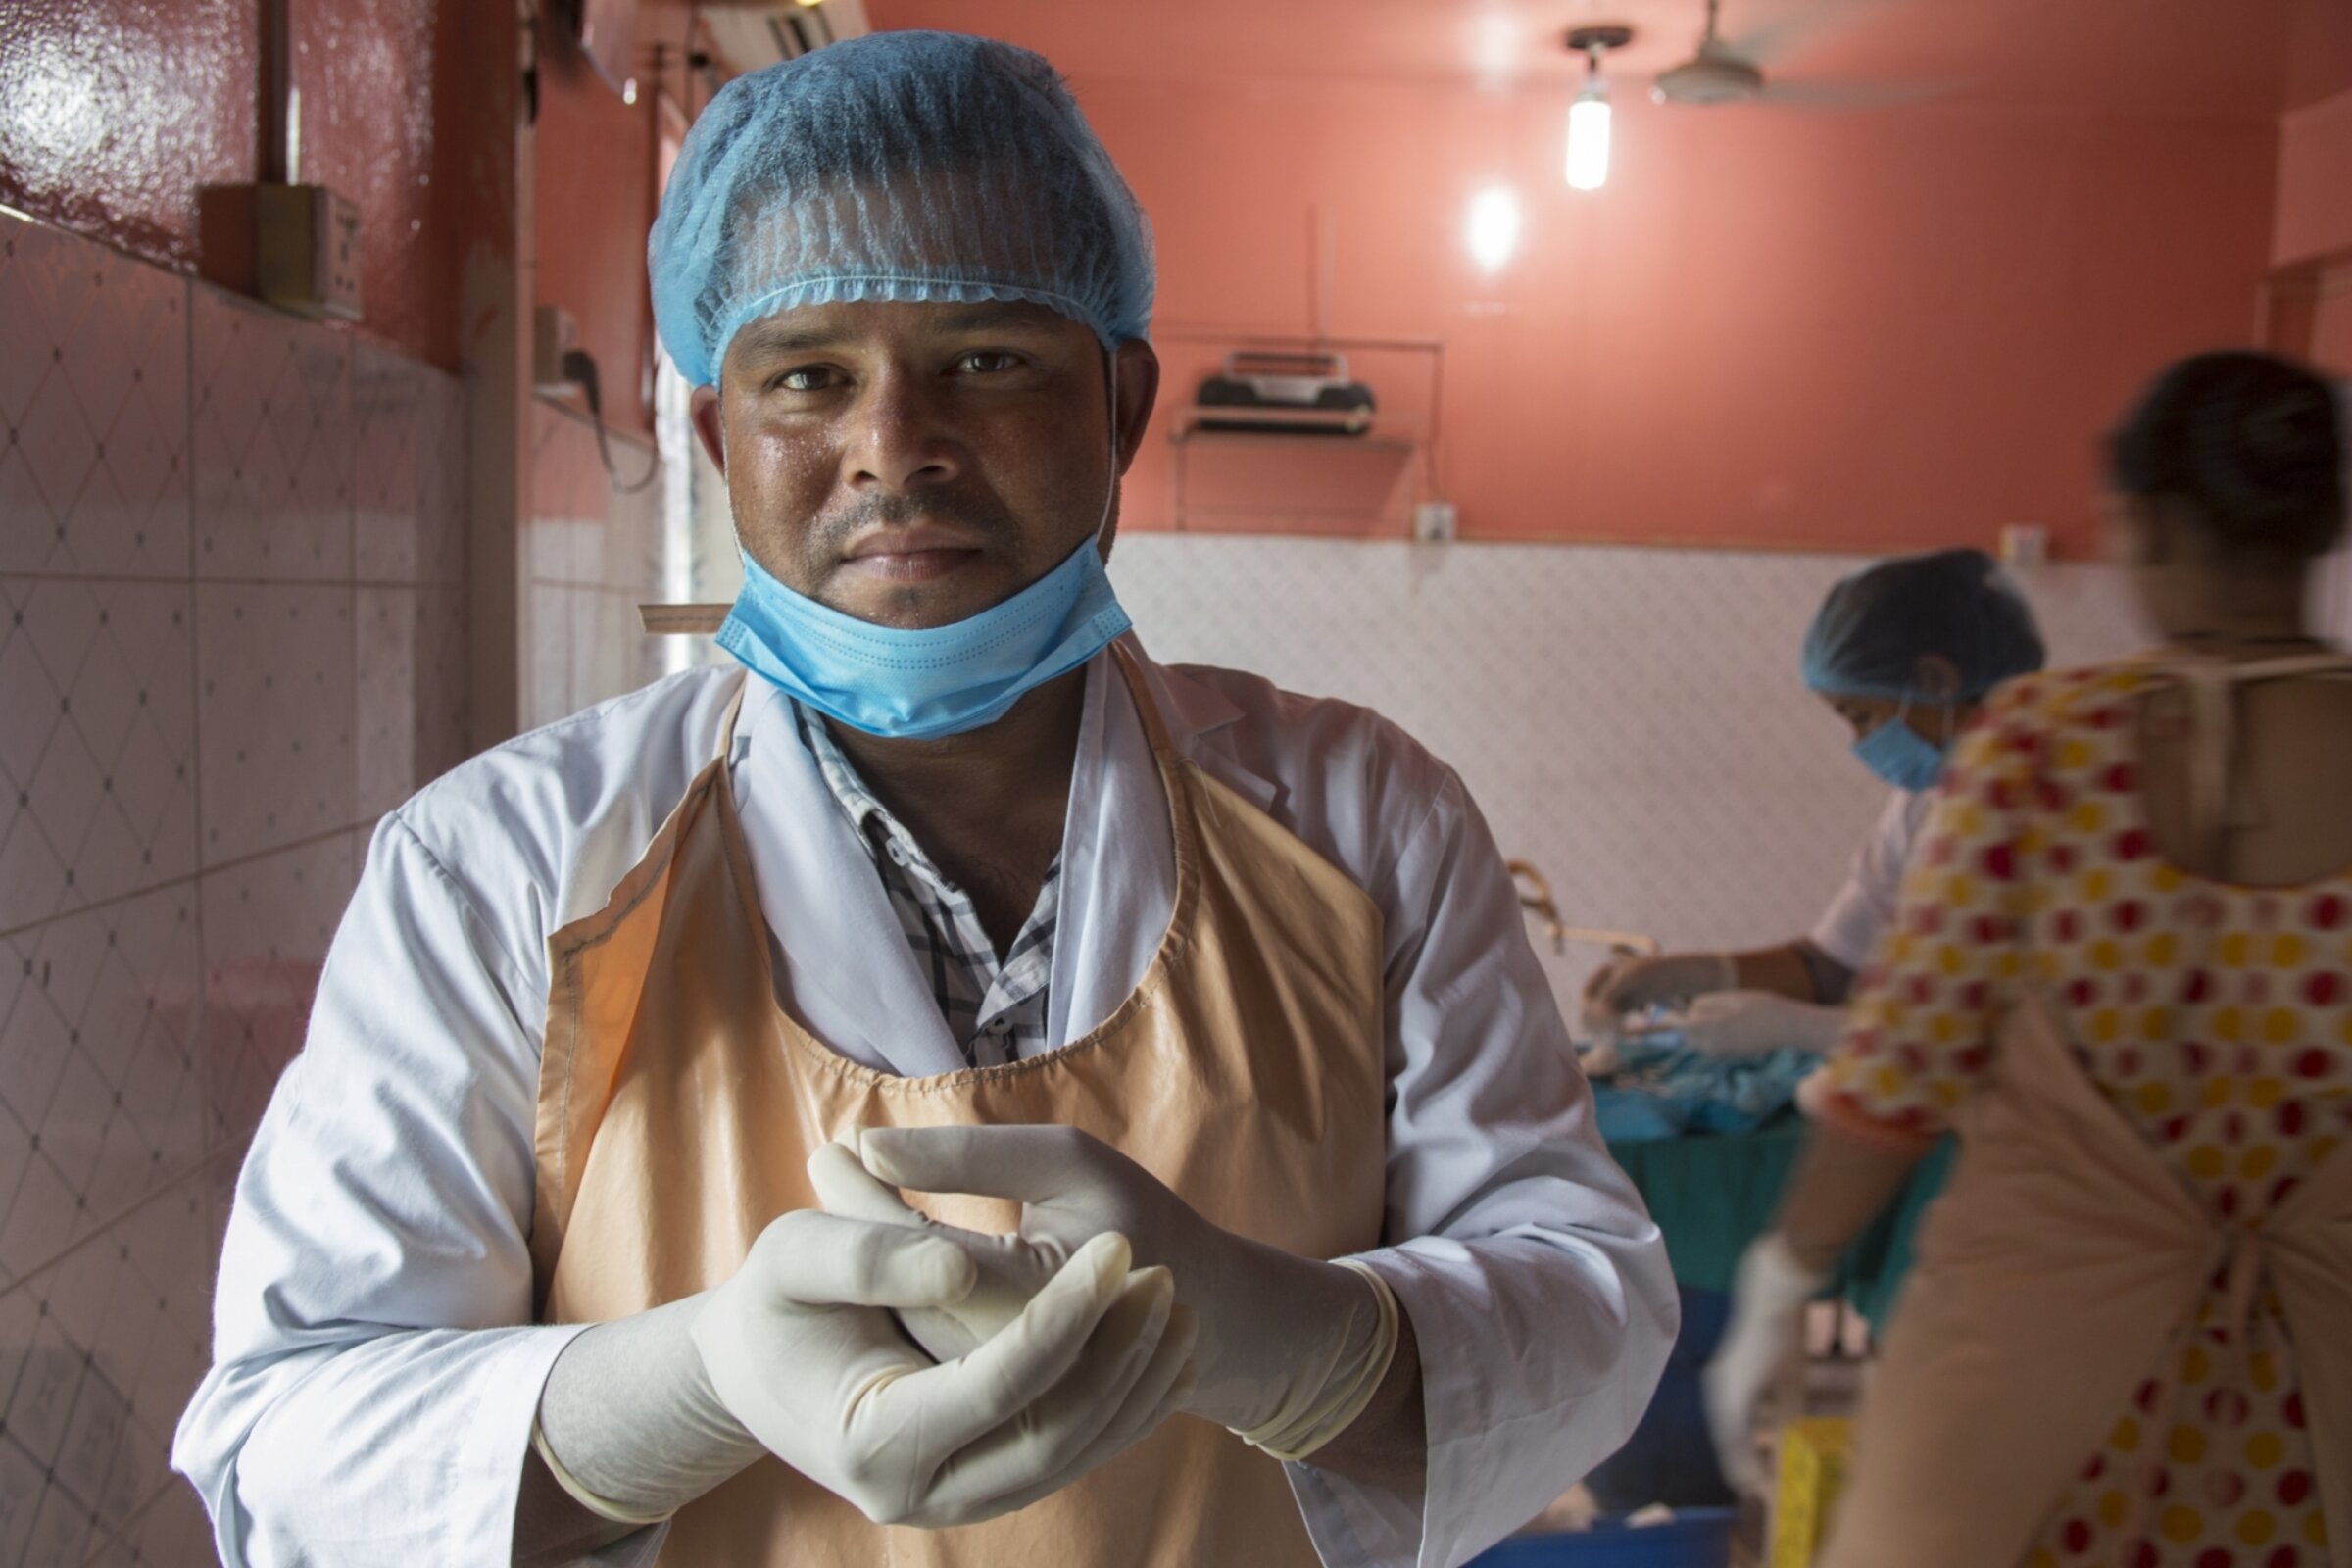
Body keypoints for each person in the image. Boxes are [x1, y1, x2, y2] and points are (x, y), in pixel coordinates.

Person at [171, 32, 1674, 1568]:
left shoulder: (1365, 824)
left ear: (1122, 403)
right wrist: (690, 1386)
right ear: (716, 434)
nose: (895, 449)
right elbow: (289, 1447)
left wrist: (1295, 1344)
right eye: (808, 375)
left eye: (988, 362)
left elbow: (1593, 1315)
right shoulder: (502, 868)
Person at [1705, 351, 2351, 1566]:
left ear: (2145, 526)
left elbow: (1900, 1070)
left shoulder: (2050, 749)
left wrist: (1784, 1278)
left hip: (2046, 1392)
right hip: (2314, 1416)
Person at [1582, 547, 2046, 1058]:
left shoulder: (2055, 805)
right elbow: (1834, 966)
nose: (1857, 741)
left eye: (1863, 717)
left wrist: (1807, 1030)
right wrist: (1698, 975)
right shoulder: (1922, 805)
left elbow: (2006, 1031)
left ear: (1936, 680)